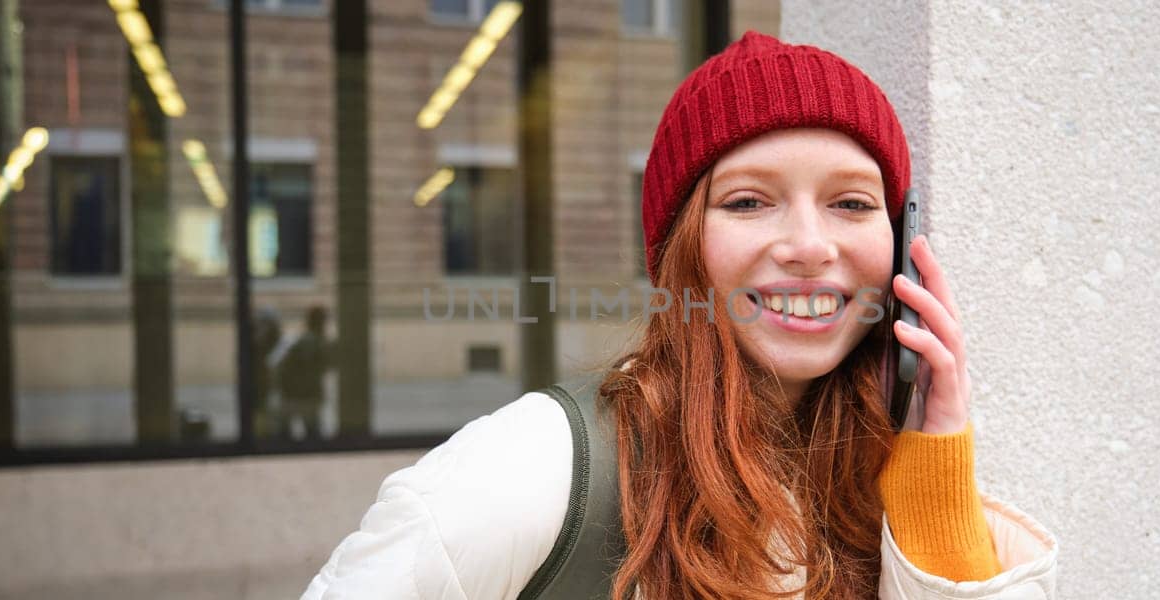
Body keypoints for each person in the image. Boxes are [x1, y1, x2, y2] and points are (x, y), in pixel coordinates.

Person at [302, 31, 1058, 599]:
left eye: (851, 203)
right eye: (748, 201)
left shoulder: (884, 468)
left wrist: (937, 451)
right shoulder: (542, 465)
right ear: (679, 249)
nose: (807, 245)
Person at [278, 305, 332, 440]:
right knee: (312, 433)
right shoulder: (312, 341)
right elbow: (314, 367)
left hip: (295, 393)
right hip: (305, 394)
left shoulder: (304, 339)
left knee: (291, 433)